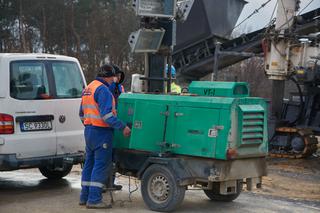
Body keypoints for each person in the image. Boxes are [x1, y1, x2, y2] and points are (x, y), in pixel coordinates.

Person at [79, 64, 131, 209]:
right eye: (115, 76)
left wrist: (90, 125)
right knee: (100, 166)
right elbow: (107, 116)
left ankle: (84, 197)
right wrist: (123, 127)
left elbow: (81, 114)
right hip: (101, 133)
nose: (116, 79)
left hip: (89, 131)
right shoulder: (104, 91)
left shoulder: (89, 88)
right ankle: (94, 200)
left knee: (89, 165)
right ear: (109, 76)